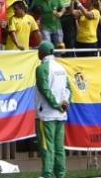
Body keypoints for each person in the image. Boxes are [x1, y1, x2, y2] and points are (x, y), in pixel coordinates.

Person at [35, 41, 70, 178]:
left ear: (42, 53)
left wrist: (56, 105)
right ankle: (61, 174)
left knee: (47, 146)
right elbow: (68, 89)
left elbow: (44, 89)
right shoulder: (61, 67)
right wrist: (64, 103)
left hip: (46, 114)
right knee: (59, 147)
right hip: (61, 114)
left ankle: (48, 174)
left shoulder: (42, 68)